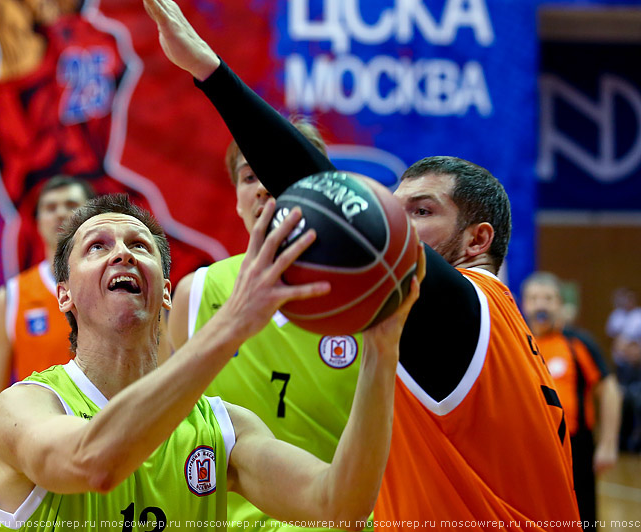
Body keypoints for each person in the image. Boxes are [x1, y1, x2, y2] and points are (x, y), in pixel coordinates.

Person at [143, 0, 583, 527]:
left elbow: (328, 202)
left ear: (476, 240)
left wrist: (210, 72)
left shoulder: (468, 313)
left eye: (419, 212)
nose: (395, 224)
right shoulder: (486, 330)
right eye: (393, 209)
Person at [0, 193, 422, 531]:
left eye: (140, 245)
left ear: (166, 291)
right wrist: (231, 323)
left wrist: (381, 352)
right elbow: (91, 462)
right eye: (96, 246)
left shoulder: (224, 426)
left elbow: (339, 504)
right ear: (65, 294)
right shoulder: (22, 408)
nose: (122, 253)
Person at [168, 119, 369, 532]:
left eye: (279, 169)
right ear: (238, 199)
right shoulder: (196, 293)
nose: (262, 186)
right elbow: (170, 429)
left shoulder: (367, 296)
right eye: (248, 176)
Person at [0, 0, 221, 279]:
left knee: (165, 277)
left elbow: (18, 173)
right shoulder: (93, 41)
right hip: (73, 204)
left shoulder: (54, 50)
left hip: (84, 198)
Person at [0, 175, 94, 528]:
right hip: (34, 464)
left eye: (71, 205)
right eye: (49, 208)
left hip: (104, 451)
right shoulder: (10, 298)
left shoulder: (111, 290)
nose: (59, 214)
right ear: (37, 221)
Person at [521, 272, 623, 527]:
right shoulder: (518, 342)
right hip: (531, 449)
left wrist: (608, 444)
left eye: (548, 298)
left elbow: (609, 390)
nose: (541, 305)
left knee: (582, 517)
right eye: (534, 298)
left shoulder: (578, 342)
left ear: (560, 305)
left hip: (576, 446)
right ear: (524, 304)